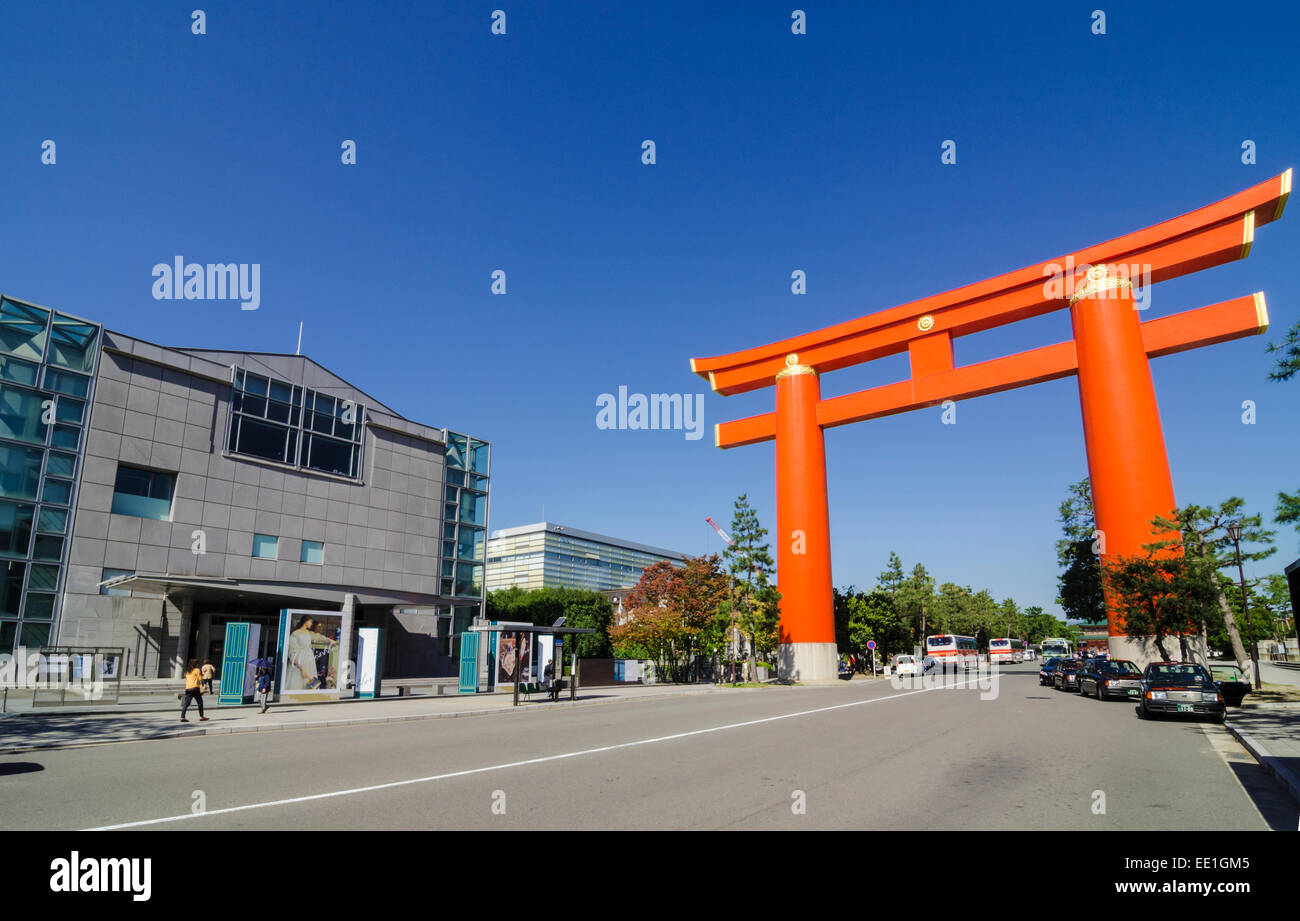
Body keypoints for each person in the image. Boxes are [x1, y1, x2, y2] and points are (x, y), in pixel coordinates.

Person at [180, 659, 209, 723]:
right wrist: (203, 673)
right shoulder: (197, 670)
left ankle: (182, 717)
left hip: (188, 688)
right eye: (197, 663)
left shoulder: (187, 671)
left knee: (186, 704)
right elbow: (200, 679)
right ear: (195, 664)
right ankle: (201, 717)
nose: (198, 665)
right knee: (200, 702)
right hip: (195, 688)